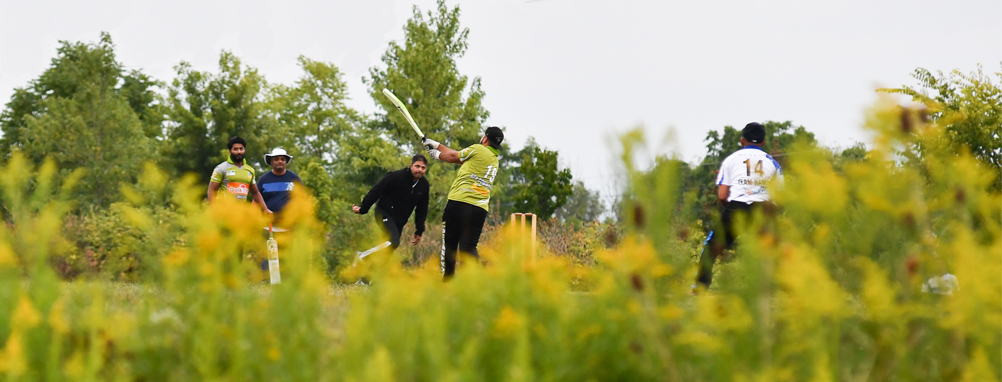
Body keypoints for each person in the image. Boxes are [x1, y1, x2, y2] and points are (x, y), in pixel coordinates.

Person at [694, 122, 783, 291]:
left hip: (736, 206)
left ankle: (700, 286)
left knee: (712, 245)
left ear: (742, 141)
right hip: (763, 209)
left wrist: (733, 208)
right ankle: (776, 287)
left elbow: (721, 195)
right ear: (763, 143)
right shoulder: (773, 163)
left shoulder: (730, 160)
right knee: (770, 248)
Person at [423, 126, 504, 279]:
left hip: (459, 203)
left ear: (485, 138)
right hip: (479, 209)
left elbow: (454, 157)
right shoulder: (493, 159)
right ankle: (472, 284)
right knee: (469, 248)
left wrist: (437, 155)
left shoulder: (478, 149)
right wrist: (436, 145)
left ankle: (448, 282)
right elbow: (459, 157)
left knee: (450, 245)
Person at [352, 154, 430, 261]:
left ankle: (365, 277)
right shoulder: (396, 176)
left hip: (400, 221)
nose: (420, 170)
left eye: (423, 168)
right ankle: (362, 256)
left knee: (389, 251)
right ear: (411, 166)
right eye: (417, 166)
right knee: (393, 242)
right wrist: (363, 209)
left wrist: (419, 230)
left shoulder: (424, 185)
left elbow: (422, 209)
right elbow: (376, 190)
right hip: (384, 212)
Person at [207, 136, 270, 213]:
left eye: (241, 149)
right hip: (224, 212)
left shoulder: (250, 170)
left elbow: (255, 193)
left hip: (240, 214)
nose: (239, 152)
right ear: (230, 151)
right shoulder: (221, 168)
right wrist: (213, 208)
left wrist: (265, 209)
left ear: (244, 150)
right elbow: (212, 189)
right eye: (235, 149)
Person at [258, 148, 303, 224]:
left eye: (282, 159)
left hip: (289, 225)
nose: (280, 161)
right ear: (271, 162)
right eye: (276, 159)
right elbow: (256, 200)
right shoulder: (263, 179)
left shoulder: (294, 178)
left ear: (286, 162)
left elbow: (301, 199)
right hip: (268, 224)